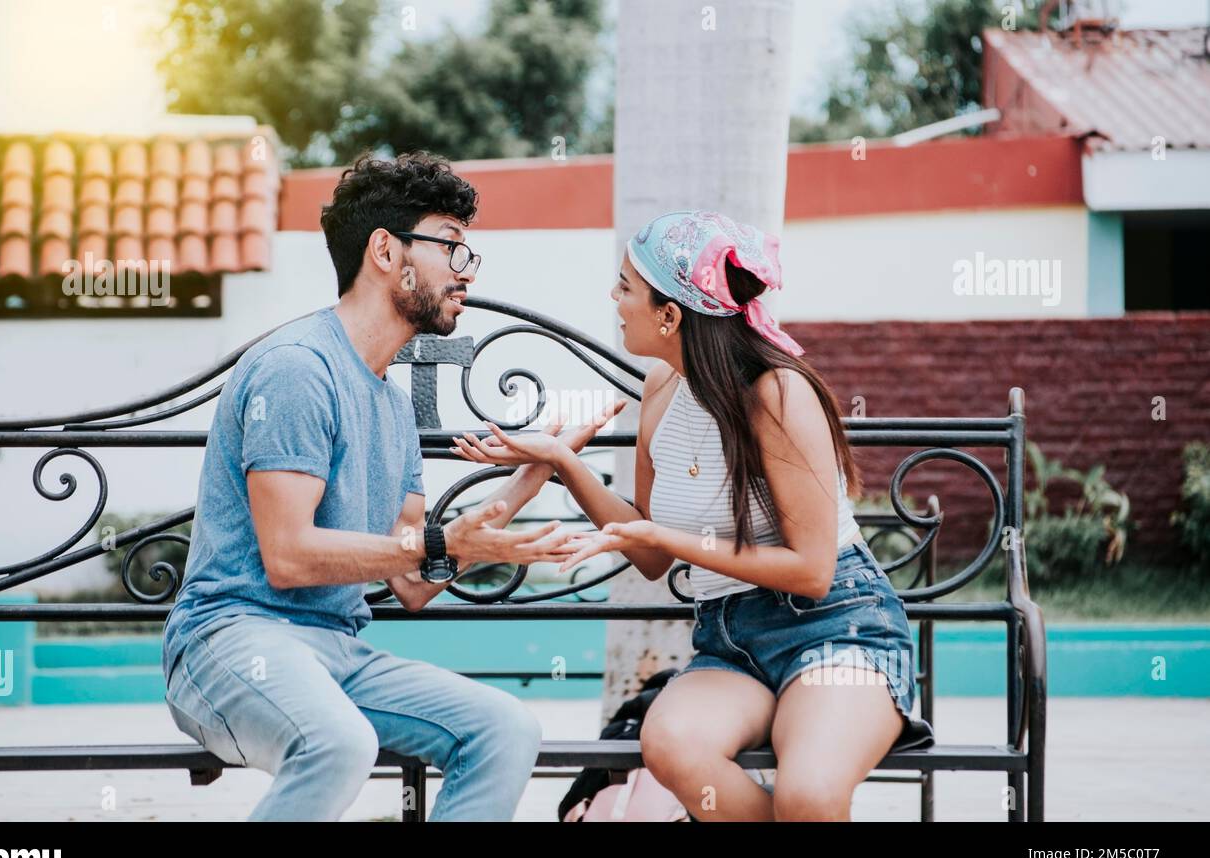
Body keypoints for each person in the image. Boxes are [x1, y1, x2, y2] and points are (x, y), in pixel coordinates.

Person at [161, 150, 622, 821]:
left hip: (336, 651)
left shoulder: (391, 403)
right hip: (231, 639)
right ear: (385, 250)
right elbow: (288, 556)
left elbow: (413, 578)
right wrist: (437, 541)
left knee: (503, 729)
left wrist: (540, 467)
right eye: (451, 247)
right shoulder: (298, 369)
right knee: (337, 741)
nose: (463, 272)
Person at [450, 209, 935, 822]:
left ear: (669, 315)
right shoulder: (661, 391)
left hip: (837, 628)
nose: (613, 297)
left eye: (626, 286)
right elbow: (651, 556)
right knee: (671, 744)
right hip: (731, 640)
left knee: (808, 794)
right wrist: (562, 462)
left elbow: (812, 570)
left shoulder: (778, 394)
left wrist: (666, 533)